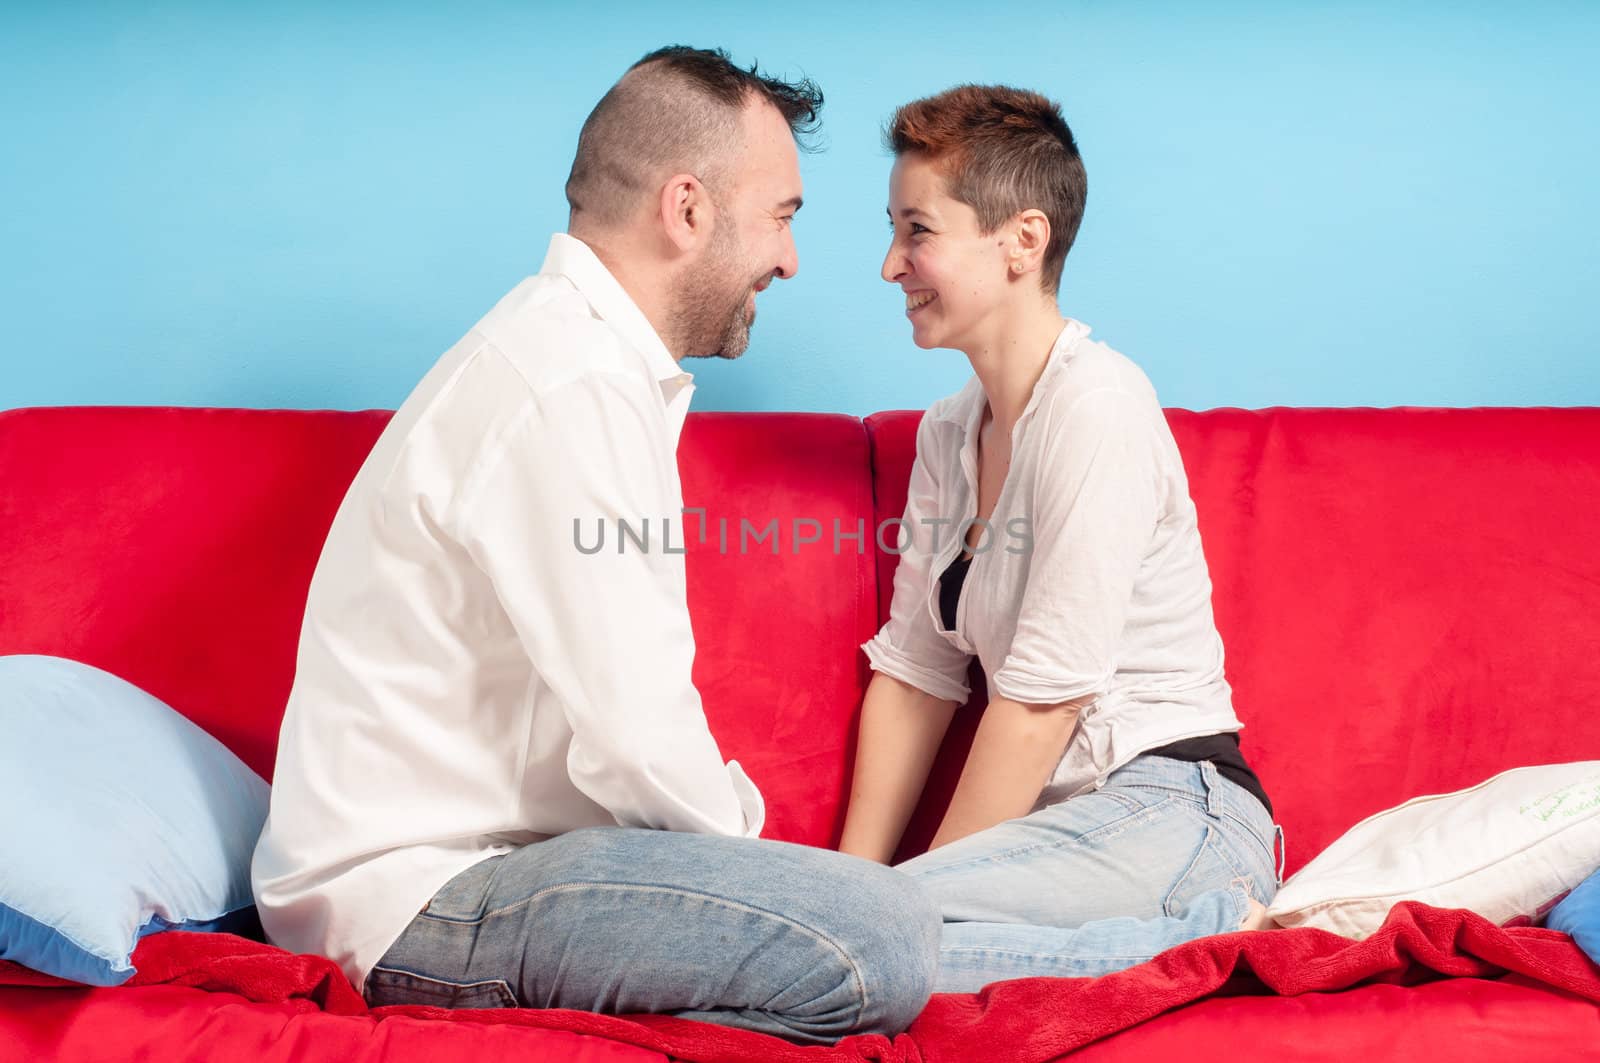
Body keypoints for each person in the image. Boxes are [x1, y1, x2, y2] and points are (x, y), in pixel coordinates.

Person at [251, 46, 939, 1044]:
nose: (790, 259)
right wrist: (765, 879)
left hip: (494, 872)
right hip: (415, 900)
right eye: (783, 216)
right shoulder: (567, 382)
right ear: (688, 210)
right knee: (875, 937)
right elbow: (638, 739)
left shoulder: (578, 361)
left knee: (877, 921)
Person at [838, 84, 1283, 994]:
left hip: (1174, 813)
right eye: (892, 229)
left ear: (1022, 242)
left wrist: (889, 910)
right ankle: (1200, 949)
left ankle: (1229, 938)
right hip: (1059, 848)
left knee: (854, 951)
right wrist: (846, 887)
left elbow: (1042, 704)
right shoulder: (948, 432)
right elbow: (917, 675)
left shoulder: (1098, 405)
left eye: (917, 231)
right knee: (835, 940)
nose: (891, 264)